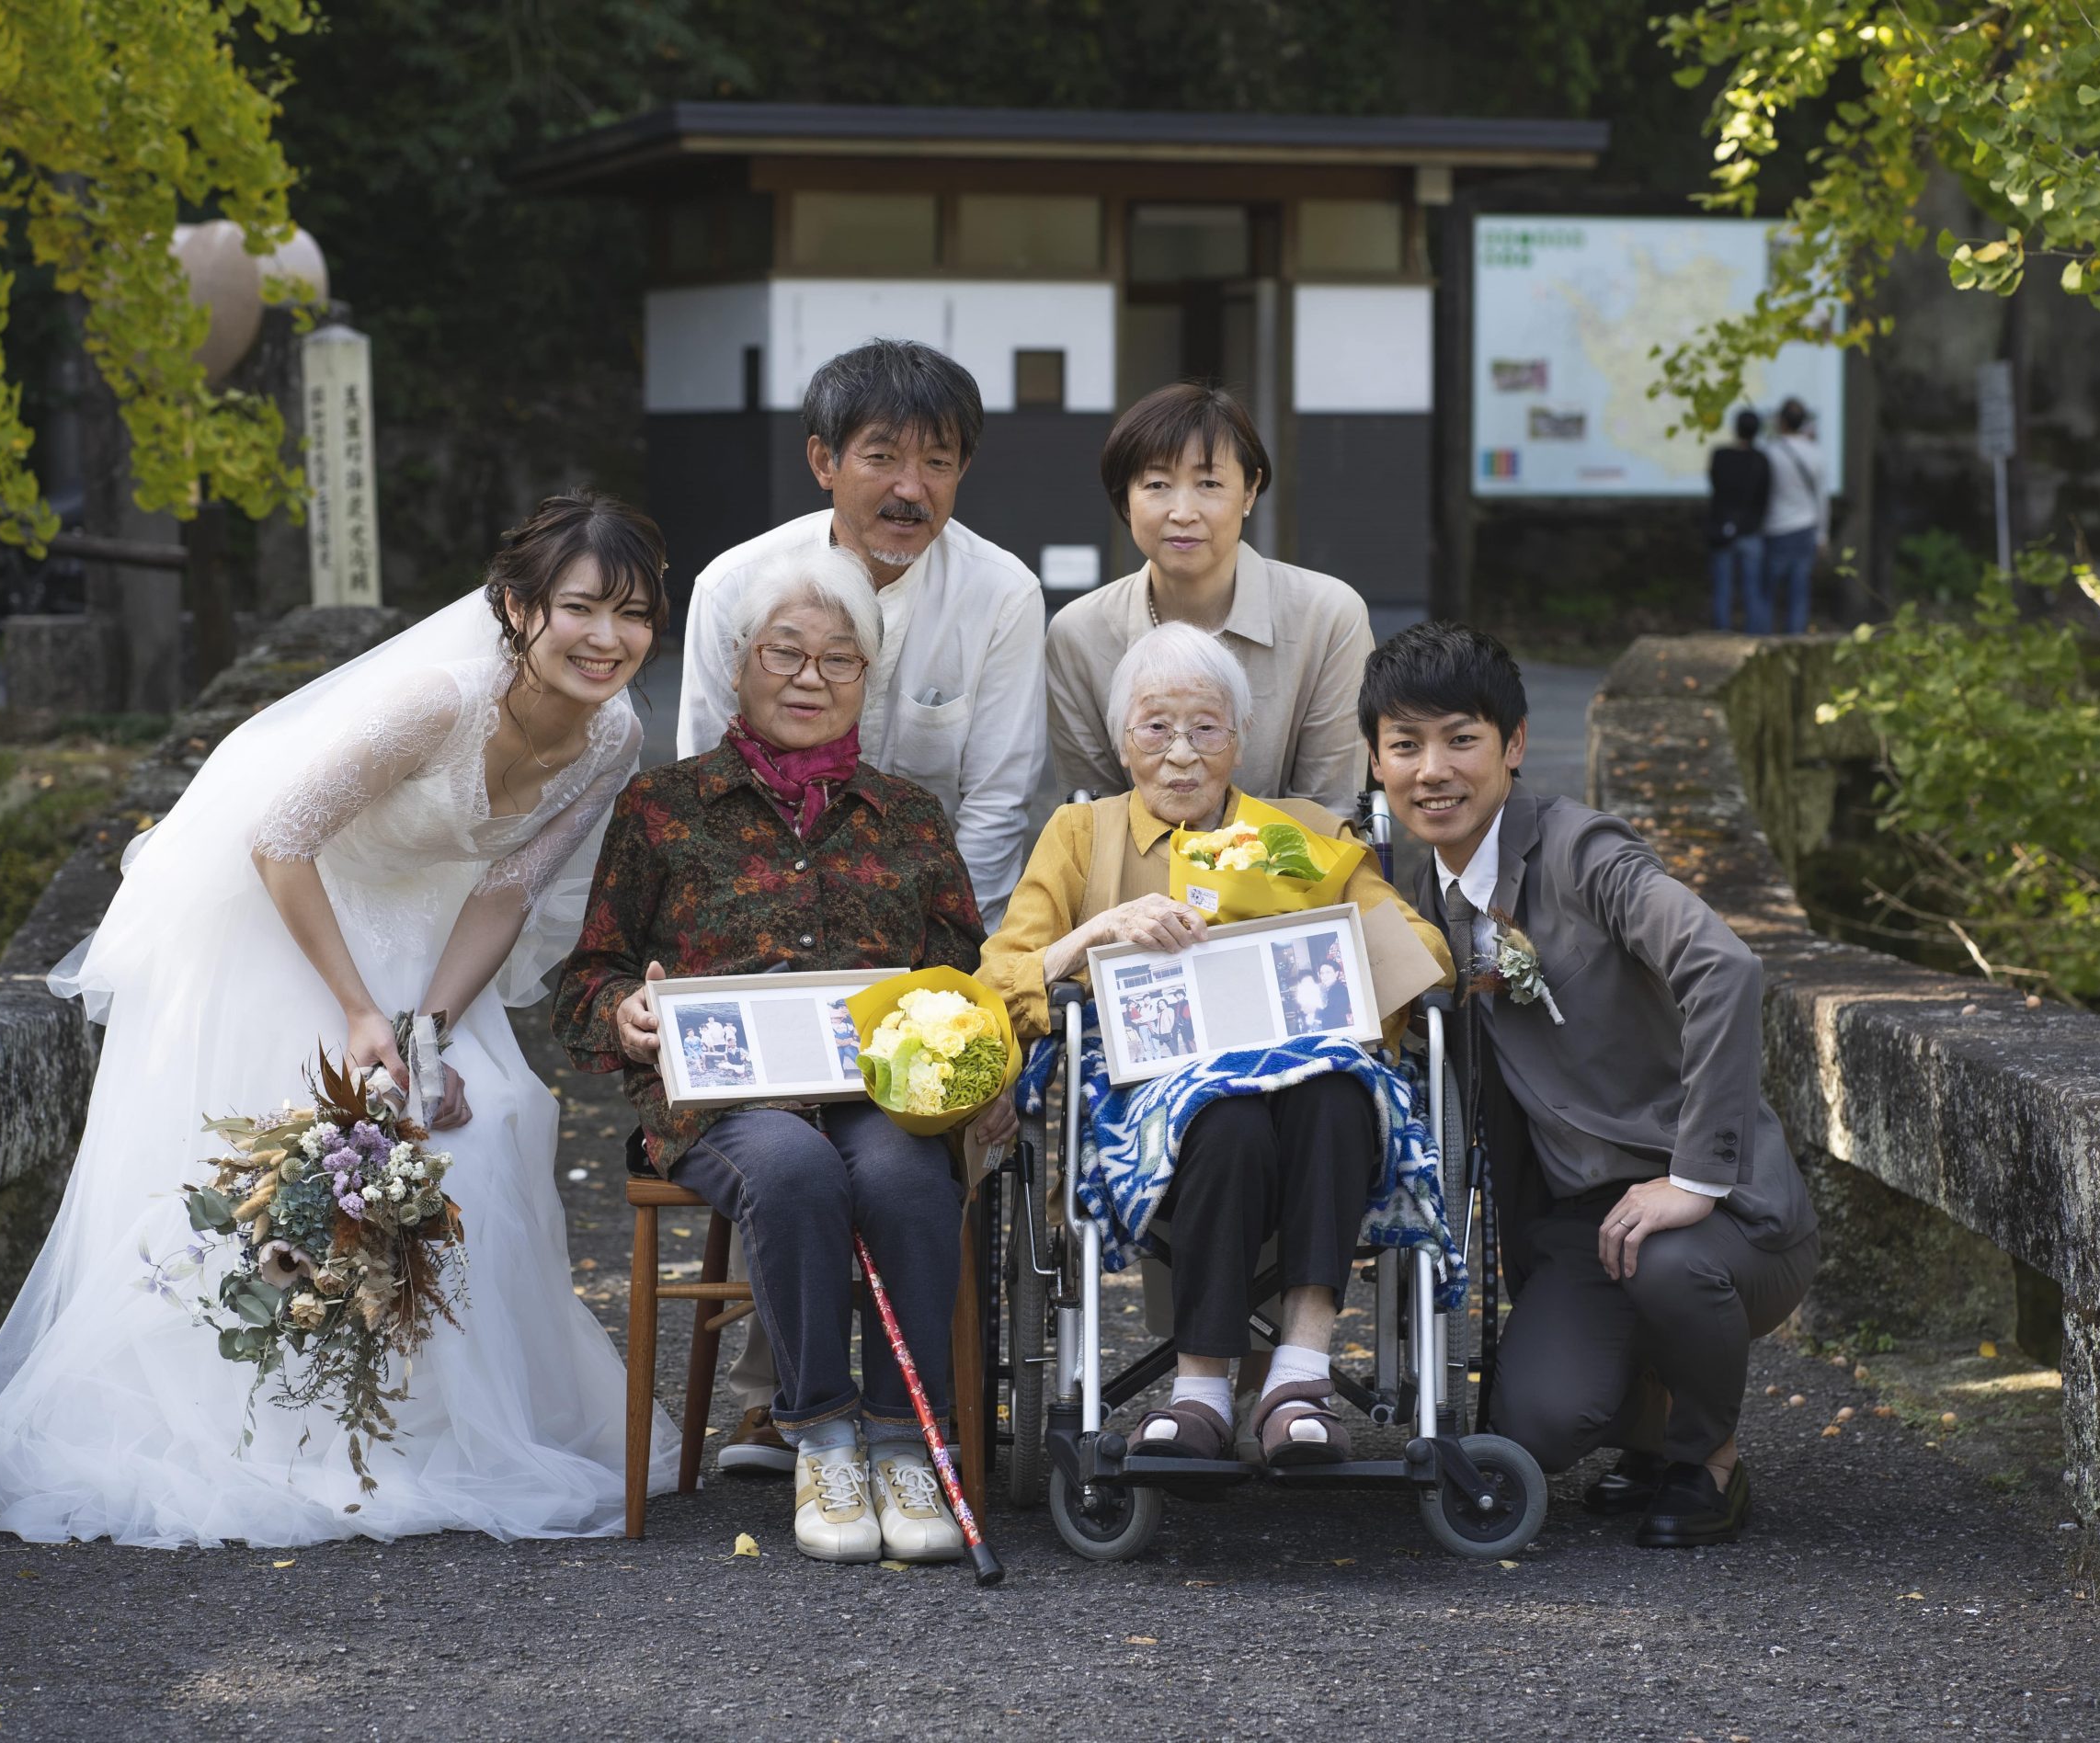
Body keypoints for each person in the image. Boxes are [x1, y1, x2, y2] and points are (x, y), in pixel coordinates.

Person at [0, 495, 682, 1547]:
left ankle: (420, 1427)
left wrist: (427, 1031)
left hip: (429, 951)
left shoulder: (611, 733)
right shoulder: (435, 700)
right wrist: (361, 1016)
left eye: (633, 616)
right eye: (580, 607)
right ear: (515, 606)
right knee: (307, 1154)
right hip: (289, 927)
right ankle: (269, 1424)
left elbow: (505, 891)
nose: (608, 638)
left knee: (486, 1124)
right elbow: (279, 838)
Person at [553, 546, 990, 1565]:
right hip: (723, 1106)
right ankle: (822, 1433)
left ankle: (903, 1440)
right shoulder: (662, 809)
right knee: (792, 1174)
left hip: (875, 1094)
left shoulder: (910, 817)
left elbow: (957, 974)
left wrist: (952, 1048)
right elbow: (587, 978)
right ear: (739, 666)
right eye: (784, 653)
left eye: (839, 661)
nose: (809, 678)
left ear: (865, 681)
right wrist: (626, 1016)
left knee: (904, 1175)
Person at [676, 339, 1051, 1473]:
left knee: (898, 1149)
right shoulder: (737, 586)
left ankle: (906, 1416)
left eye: (939, 461)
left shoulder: (1000, 593)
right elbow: (705, 790)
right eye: (882, 455)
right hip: (765, 949)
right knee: (783, 1144)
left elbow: (994, 802)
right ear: (821, 461)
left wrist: (939, 993)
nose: (910, 487)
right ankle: (779, 1400)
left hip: (920, 948)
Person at [1361, 621, 1818, 1547]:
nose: (1432, 770)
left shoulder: (1583, 852)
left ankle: (1706, 1457)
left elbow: (1724, 968)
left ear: (1514, 745)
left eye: (1462, 740)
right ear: (1376, 762)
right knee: (1532, 1428)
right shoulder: (1420, 894)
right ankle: (1644, 1430)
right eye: (1404, 747)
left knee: (1670, 1265)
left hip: (1721, 1216)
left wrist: (1691, 1180)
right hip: (1579, 1224)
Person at [979, 622, 1449, 1464]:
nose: (1182, 754)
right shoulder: (1081, 836)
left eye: (1207, 728)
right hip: (1151, 1099)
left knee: (1339, 1095)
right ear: (1124, 743)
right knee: (1225, 1119)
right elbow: (1000, 981)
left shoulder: (1299, 835)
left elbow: (1422, 956)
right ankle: (1200, 1392)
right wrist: (1097, 932)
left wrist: (1305, 953)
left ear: (1240, 741)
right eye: (1156, 726)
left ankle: (1297, 1379)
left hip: (1310, 1089)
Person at [1046, 382, 1372, 816]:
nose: (1183, 512)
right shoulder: (1077, 634)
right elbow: (1094, 820)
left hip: (1293, 878)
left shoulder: (1328, 616)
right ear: (1125, 498)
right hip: (1135, 881)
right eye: (1157, 484)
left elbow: (1328, 812)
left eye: (1209, 483)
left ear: (1250, 490)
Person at [1761, 397, 1830, 634]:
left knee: (1767, 593)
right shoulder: (1815, 453)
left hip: (1775, 528)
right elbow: (1821, 499)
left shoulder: (1770, 452)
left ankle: (1763, 643)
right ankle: (1795, 642)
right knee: (1799, 594)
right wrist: (1822, 534)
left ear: (1781, 422)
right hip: (1805, 528)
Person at [1706, 408, 1770, 632]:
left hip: (1723, 529)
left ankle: (1722, 637)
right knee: (1752, 589)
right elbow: (1764, 497)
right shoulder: (1761, 460)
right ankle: (1754, 641)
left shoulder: (1721, 456)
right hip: (1750, 530)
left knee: (1723, 589)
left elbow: (1716, 485)